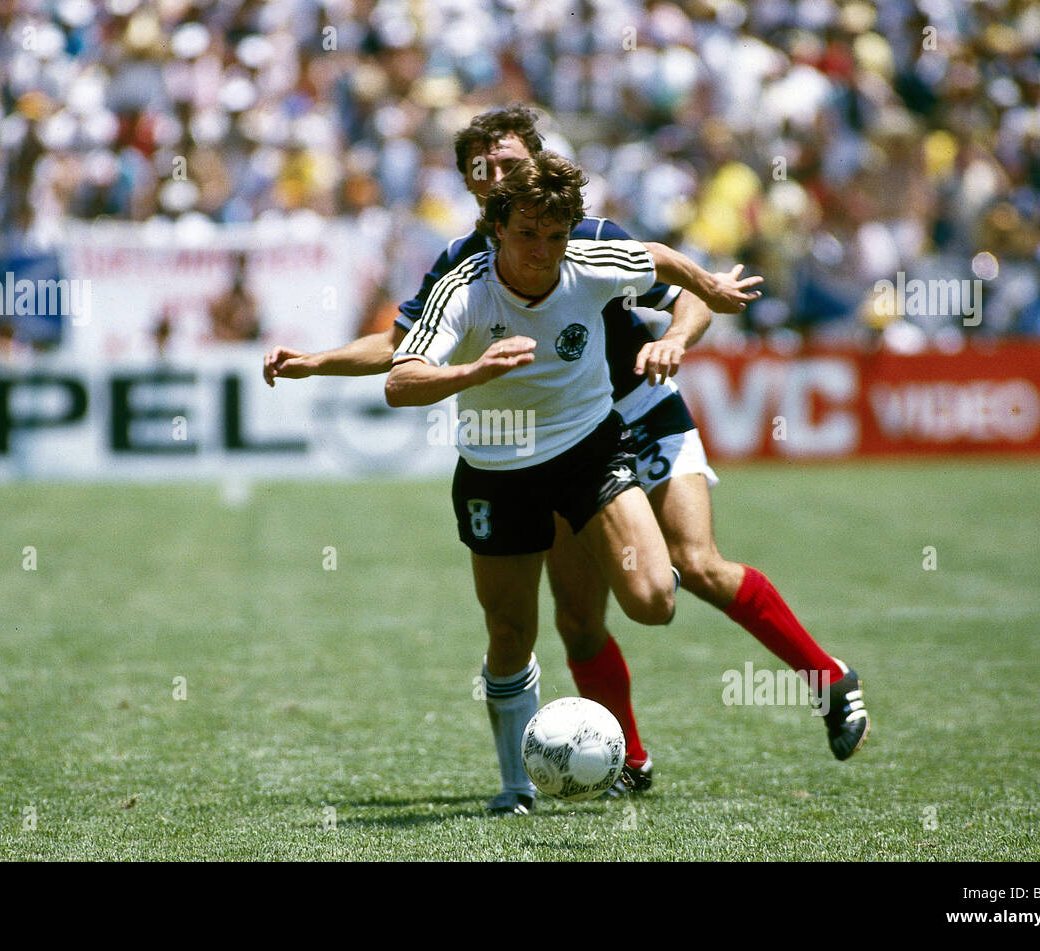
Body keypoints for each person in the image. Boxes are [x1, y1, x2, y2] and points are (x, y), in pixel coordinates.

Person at [268, 106, 869, 813]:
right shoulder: (466, 264)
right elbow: (403, 352)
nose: (497, 172)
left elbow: (688, 294)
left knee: (692, 563)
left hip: (633, 409)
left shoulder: (582, 237)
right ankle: (628, 758)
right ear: (474, 188)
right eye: (482, 166)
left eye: (510, 160)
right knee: (578, 620)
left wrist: (674, 338)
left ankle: (828, 678)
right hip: (543, 439)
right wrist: (320, 360)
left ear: (538, 162)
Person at [385, 151, 734, 814]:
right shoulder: (465, 289)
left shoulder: (590, 262)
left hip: (588, 453)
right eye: (526, 235)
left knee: (655, 599)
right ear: (496, 229)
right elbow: (400, 380)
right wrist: (473, 372)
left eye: (554, 236)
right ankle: (516, 785)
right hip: (497, 472)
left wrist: (707, 289)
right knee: (511, 629)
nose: (542, 252)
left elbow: (661, 259)